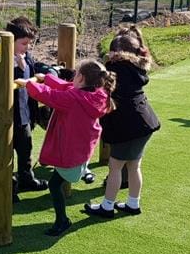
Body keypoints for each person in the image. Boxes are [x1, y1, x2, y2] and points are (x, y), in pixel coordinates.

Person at [15, 59, 115, 236]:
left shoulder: (74, 99)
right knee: (60, 179)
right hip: (82, 149)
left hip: (71, 151)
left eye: (75, 74)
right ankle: (83, 174)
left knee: (54, 185)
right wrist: (47, 78)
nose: (73, 77)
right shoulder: (97, 94)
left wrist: (29, 84)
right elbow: (66, 87)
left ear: (81, 78)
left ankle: (62, 220)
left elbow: (50, 96)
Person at [84, 26, 160, 218]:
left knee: (115, 166)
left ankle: (107, 206)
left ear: (115, 52)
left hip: (127, 126)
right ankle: (133, 203)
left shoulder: (114, 69)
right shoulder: (138, 67)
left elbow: (95, 85)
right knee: (134, 166)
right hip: (145, 123)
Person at [3, 16, 51, 194]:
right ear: (11, 41)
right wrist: (19, 68)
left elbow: (34, 68)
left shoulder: (25, 56)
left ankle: (26, 177)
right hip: (8, 115)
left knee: (26, 148)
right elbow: (2, 83)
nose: (27, 47)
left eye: (29, 43)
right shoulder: (1, 59)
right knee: (6, 152)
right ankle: (7, 186)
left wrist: (45, 70)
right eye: (24, 43)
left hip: (24, 112)